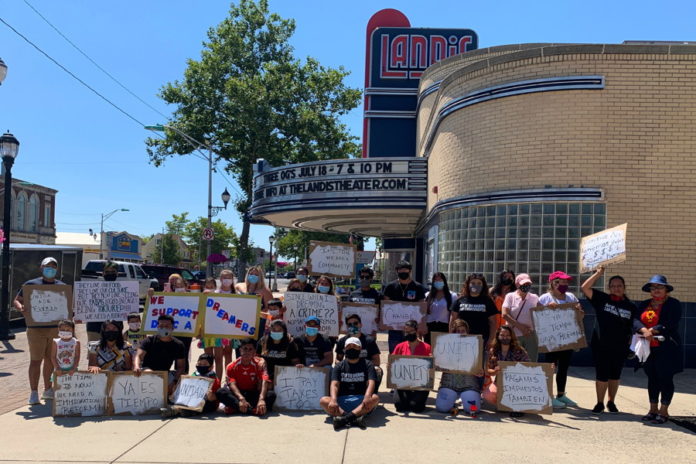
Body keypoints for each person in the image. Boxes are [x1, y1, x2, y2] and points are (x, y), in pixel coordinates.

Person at [581, 266, 644, 414]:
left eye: (619, 286)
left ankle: (611, 402)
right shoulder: (602, 299)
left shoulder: (630, 306)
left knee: (615, 375)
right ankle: (599, 403)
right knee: (601, 375)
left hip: (620, 346)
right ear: (609, 288)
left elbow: (634, 325)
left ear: (624, 287)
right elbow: (585, 287)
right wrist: (598, 274)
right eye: (613, 286)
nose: (616, 288)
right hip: (601, 345)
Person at [13, 257, 67, 404]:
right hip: (36, 329)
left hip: (55, 329)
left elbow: (67, 306)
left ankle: (48, 389)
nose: (51, 269)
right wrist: (20, 307)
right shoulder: (30, 284)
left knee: (51, 360)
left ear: (57, 269)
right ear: (41, 268)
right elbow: (17, 300)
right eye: (48, 266)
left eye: (53, 267)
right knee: (35, 360)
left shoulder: (62, 286)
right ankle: (33, 392)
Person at [635, 275, 683, 425]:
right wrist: (644, 330)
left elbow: (671, 322)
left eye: (660, 287)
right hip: (648, 348)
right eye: (653, 287)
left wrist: (653, 330)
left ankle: (663, 411)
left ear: (666, 289)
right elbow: (635, 320)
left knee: (665, 378)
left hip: (667, 348)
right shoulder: (644, 304)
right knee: (652, 378)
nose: (656, 290)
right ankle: (653, 410)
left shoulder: (673, 304)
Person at [539, 270, 584, 409]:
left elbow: (580, 316)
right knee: (550, 368)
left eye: (566, 281)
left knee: (563, 368)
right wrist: (547, 309)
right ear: (553, 283)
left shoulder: (571, 297)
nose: (564, 284)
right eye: (561, 281)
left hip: (567, 339)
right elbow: (538, 317)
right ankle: (549, 396)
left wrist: (578, 311)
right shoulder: (544, 298)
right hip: (551, 340)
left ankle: (561, 394)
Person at [320, 337, 379, 430]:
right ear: (344, 349)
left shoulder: (368, 364)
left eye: (355, 346)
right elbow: (334, 385)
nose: (352, 348)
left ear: (360, 348)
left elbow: (371, 382)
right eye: (349, 346)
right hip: (341, 401)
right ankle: (354, 418)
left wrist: (367, 397)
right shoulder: (339, 366)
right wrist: (334, 400)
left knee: (375, 398)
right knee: (323, 400)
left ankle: (343, 419)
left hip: (361, 401)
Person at [436, 319, 484, 416]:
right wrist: (434, 359)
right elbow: (438, 365)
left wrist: (480, 372)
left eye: (463, 331)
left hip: (469, 385)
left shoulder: (475, 347)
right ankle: (453, 405)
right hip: (449, 384)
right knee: (442, 408)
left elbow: (481, 370)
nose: (460, 333)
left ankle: (468, 400)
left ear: (467, 332)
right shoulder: (445, 346)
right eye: (457, 331)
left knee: (473, 409)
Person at [216, 338, 276, 415]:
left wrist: (261, 399)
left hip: (253, 393)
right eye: (245, 349)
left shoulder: (260, 364)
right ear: (240, 350)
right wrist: (241, 399)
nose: (247, 352)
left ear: (254, 352)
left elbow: (264, 381)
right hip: (238, 394)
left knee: (271, 395)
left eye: (250, 349)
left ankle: (237, 408)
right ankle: (252, 410)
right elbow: (232, 384)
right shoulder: (231, 366)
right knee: (220, 392)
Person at [482, 326, 530, 416]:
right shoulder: (493, 351)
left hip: (517, 383)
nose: (505, 337)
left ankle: (517, 407)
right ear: (498, 336)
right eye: (502, 335)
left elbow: (529, 366)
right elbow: (488, 370)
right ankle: (503, 405)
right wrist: (495, 371)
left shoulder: (519, 350)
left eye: (508, 335)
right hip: (500, 382)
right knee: (488, 394)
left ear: (512, 336)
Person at [133, 314, 186, 394]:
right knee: (149, 374)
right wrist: (136, 366)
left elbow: (181, 367)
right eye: (161, 326)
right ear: (157, 327)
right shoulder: (149, 341)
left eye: (167, 326)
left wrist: (174, 382)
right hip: (147, 370)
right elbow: (138, 356)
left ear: (172, 328)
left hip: (165, 373)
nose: (163, 328)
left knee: (181, 381)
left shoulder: (178, 345)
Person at [382, 260, 427, 352]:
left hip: (412, 329)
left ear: (410, 271)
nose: (403, 273)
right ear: (397, 271)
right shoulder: (390, 287)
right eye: (401, 271)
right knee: (394, 353)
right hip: (394, 328)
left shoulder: (418, 287)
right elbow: (385, 306)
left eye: (405, 271)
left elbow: (422, 307)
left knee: (411, 352)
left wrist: (422, 326)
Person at [161, 353, 222, 417]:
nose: (201, 366)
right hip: (193, 400)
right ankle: (179, 410)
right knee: (179, 401)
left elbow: (214, 398)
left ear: (211, 367)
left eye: (204, 364)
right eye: (199, 364)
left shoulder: (214, 379)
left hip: (208, 402)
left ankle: (178, 411)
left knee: (203, 405)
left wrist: (210, 395)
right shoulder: (194, 375)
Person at [201, 269, 237, 379]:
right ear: (220, 279)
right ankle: (215, 382)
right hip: (215, 328)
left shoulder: (236, 294)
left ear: (232, 279)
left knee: (228, 354)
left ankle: (227, 379)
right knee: (216, 358)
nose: (227, 280)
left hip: (230, 327)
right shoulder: (214, 293)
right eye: (224, 277)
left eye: (229, 277)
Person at [391, 320, 432, 413]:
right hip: (403, 382)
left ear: (416, 331)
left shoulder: (426, 347)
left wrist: (431, 361)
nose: (408, 333)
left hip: (420, 383)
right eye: (406, 331)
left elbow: (431, 368)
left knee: (416, 407)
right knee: (400, 406)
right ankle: (408, 398)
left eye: (411, 331)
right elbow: (392, 364)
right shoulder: (400, 346)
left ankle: (415, 399)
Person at [449, 273, 498, 346]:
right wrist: (451, 337)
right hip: (461, 339)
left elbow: (493, 323)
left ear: (483, 285)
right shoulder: (460, 300)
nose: (476, 285)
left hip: (482, 340)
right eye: (473, 283)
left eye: (479, 283)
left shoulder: (488, 301)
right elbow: (453, 320)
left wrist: (491, 340)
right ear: (468, 285)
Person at [335, 314, 383, 388]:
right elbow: (338, 359)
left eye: (355, 323)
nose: (353, 326)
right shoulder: (342, 341)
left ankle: (372, 392)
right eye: (350, 324)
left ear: (360, 324)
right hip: (348, 369)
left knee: (378, 370)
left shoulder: (369, 341)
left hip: (365, 369)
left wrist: (360, 365)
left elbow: (377, 361)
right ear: (347, 327)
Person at [502, 273, 540, 362]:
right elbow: (505, 314)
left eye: (528, 284)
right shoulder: (510, 296)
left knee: (531, 361)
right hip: (514, 335)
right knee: (513, 360)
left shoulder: (534, 297)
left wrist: (551, 305)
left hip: (530, 334)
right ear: (517, 285)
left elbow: (542, 310)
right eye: (523, 284)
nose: (526, 286)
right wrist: (521, 328)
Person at [86, 261, 123, 342]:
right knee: (94, 349)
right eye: (107, 272)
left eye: (113, 271)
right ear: (103, 273)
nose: (110, 273)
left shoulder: (124, 289)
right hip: (95, 328)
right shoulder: (92, 288)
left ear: (117, 273)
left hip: (114, 329)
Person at [236, 265, 274, 338]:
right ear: (247, 275)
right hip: (241, 321)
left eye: (256, 275)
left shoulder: (265, 291)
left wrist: (258, 313)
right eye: (251, 274)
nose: (253, 276)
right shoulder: (239, 286)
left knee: (256, 342)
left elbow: (270, 307)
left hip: (258, 322)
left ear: (260, 277)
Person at [167, 273, 194, 373]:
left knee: (183, 354)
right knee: (170, 354)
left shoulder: (193, 297)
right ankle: (171, 376)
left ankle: (183, 375)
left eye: (181, 285)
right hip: (172, 330)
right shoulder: (167, 295)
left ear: (186, 286)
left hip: (186, 331)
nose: (179, 288)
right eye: (176, 286)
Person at [425, 272, 457, 344]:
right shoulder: (427, 295)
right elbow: (424, 313)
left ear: (444, 282)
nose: (438, 282)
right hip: (430, 327)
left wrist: (451, 330)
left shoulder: (452, 296)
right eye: (436, 281)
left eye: (440, 280)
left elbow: (454, 315)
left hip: (445, 327)